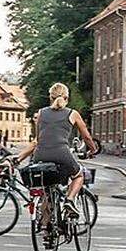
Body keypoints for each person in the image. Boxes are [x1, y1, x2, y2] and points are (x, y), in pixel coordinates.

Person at [14, 83, 97, 217]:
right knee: (79, 175)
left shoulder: (40, 113)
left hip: (40, 156)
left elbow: (36, 141)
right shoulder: (72, 113)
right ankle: (69, 200)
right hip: (62, 154)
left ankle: (46, 228)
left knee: (46, 189)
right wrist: (93, 149)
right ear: (67, 98)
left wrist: (18, 159)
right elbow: (86, 137)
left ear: (50, 98)